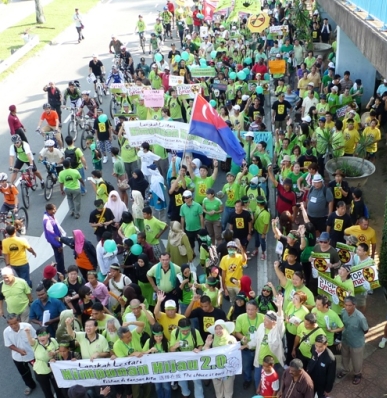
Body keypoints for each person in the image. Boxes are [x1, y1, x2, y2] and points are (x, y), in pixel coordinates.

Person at [252, 295, 285, 389]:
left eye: (267, 320)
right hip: (260, 361)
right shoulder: (261, 326)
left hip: (273, 363)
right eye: (264, 319)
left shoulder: (278, 331)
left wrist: (279, 307)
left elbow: (280, 320)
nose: (264, 321)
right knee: (258, 380)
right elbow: (256, 341)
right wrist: (246, 345)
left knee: (272, 384)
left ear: (273, 322)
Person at [337, 296, 369, 385]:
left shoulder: (360, 318)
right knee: (344, 356)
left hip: (356, 342)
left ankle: (357, 374)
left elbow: (366, 330)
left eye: (349, 305)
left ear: (354, 305)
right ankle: (345, 370)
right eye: (346, 305)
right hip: (345, 339)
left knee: (357, 360)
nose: (347, 307)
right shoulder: (343, 312)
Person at [169, 318, 204, 398]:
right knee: (181, 379)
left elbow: (200, 344)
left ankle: (199, 396)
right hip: (180, 359)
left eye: (187, 330)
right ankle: (185, 393)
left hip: (193, 359)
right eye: (183, 331)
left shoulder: (195, 332)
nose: (185, 332)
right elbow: (171, 350)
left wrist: (198, 349)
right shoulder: (175, 333)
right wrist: (175, 346)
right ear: (178, 328)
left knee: (197, 379)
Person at [3, 313, 37, 395]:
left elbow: (36, 338)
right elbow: (9, 344)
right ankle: (30, 385)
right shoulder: (6, 332)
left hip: (32, 355)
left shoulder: (27, 326)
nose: (14, 326)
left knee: (38, 370)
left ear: (19, 321)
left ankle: (45, 383)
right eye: (11, 324)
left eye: (15, 323)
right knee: (24, 373)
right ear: (8, 324)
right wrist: (18, 350)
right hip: (18, 358)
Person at [24, 326, 62, 398]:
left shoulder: (52, 340)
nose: (41, 337)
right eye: (39, 336)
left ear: (48, 335)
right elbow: (30, 341)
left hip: (53, 369)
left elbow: (59, 349)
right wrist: (28, 333)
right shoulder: (35, 343)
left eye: (44, 335)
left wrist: (54, 353)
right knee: (46, 390)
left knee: (58, 387)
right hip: (41, 371)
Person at [235, 300, 265, 389]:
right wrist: (242, 337)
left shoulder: (263, 318)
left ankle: (259, 383)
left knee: (258, 366)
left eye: (252, 309)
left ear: (257, 310)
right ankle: (247, 379)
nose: (250, 312)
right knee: (246, 366)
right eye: (248, 309)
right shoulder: (240, 318)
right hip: (246, 347)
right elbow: (237, 332)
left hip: (259, 348)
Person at [203, 320, 237, 398]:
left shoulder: (231, 339)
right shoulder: (212, 339)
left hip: (228, 369)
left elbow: (236, 352)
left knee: (228, 388)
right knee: (218, 388)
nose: (218, 331)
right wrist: (207, 344)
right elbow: (204, 353)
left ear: (225, 329)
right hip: (216, 369)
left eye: (220, 328)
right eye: (216, 329)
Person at [220, 241, 247, 305]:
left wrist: (242, 250)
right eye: (229, 249)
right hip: (229, 285)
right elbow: (223, 272)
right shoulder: (224, 258)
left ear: (236, 249)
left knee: (241, 300)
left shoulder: (240, 257)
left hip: (239, 284)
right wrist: (224, 285)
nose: (230, 250)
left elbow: (244, 260)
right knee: (232, 300)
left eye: (232, 249)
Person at [43, 203, 65, 275]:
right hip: (56, 242)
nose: (55, 211)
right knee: (59, 258)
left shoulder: (50, 216)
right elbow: (51, 235)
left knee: (60, 258)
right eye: (53, 209)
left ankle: (62, 270)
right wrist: (58, 245)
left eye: (55, 209)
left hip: (57, 240)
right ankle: (60, 274)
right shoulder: (47, 220)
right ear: (48, 210)